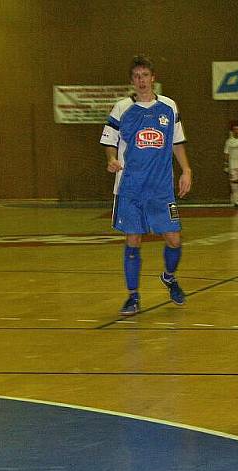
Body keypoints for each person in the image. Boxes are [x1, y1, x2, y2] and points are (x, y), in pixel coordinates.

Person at [100, 55, 192, 316]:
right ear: (131, 81)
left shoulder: (169, 107)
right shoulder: (121, 109)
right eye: (136, 76)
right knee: (133, 240)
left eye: (145, 75)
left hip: (162, 188)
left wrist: (186, 169)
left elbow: (177, 142)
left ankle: (169, 277)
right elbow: (109, 142)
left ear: (153, 78)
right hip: (130, 187)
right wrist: (111, 159)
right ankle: (133, 296)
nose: (141, 80)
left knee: (174, 239)